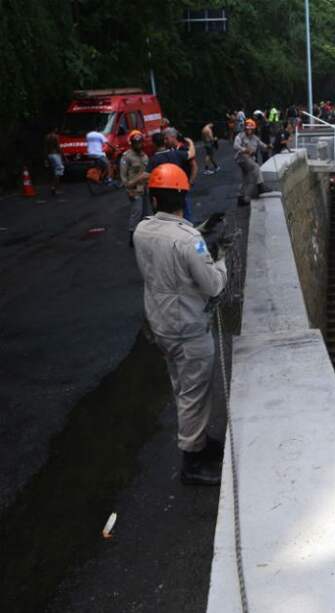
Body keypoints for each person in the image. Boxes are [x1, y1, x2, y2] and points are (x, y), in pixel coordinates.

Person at [133, 163, 227, 486]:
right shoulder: (190, 241)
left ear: (154, 199)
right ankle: (192, 460)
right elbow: (213, 284)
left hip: (161, 325)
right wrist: (220, 256)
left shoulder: (142, 231)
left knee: (181, 386)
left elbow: (169, 244)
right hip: (188, 329)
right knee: (195, 392)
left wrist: (200, 232)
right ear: (183, 197)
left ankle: (197, 440)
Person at [120, 130, 149, 245]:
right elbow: (123, 176)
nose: (138, 144)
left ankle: (143, 236)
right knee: (136, 212)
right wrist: (128, 190)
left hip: (145, 188)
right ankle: (132, 237)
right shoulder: (127, 157)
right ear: (131, 143)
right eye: (136, 142)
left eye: (140, 142)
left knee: (145, 214)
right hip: (134, 190)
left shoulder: (145, 156)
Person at [233, 118, 270, 207]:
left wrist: (268, 146)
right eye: (247, 128)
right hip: (241, 158)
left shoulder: (255, 138)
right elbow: (235, 146)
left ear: (253, 129)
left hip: (250, 159)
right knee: (256, 167)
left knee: (246, 178)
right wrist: (244, 149)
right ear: (245, 128)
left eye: (250, 129)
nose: (248, 130)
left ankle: (241, 197)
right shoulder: (240, 136)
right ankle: (260, 186)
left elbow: (262, 145)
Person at [45, 127, 64, 196]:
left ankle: (53, 187)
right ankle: (55, 188)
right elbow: (58, 147)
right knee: (58, 171)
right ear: (54, 130)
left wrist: (46, 158)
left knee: (53, 171)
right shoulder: (56, 136)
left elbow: (46, 148)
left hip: (49, 155)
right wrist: (62, 155)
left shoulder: (46, 137)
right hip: (55, 154)